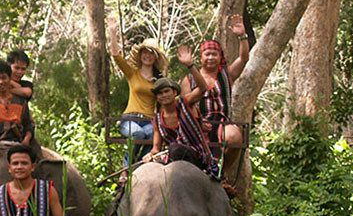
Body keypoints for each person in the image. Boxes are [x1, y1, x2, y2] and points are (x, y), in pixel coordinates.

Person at [180, 14, 251, 180]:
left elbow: (244, 58)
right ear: (201, 57)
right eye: (207, 54)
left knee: (234, 138)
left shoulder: (227, 74)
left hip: (222, 121)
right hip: (199, 122)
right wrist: (198, 121)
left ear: (220, 57)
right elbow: (185, 105)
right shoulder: (189, 79)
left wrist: (242, 36)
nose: (211, 57)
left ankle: (223, 171)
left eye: (214, 54)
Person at [144, 46, 219, 180]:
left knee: (175, 148)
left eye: (166, 91)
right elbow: (156, 148)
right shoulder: (157, 120)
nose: (163, 95)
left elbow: (203, 88)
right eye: (160, 93)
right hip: (173, 159)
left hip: (196, 155)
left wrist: (190, 65)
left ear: (174, 92)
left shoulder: (185, 104)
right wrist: (150, 155)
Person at [107, 19, 169, 166]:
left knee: (152, 137)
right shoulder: (132, 73)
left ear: (155, 58)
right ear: (141, 55)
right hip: (130, 119)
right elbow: (116, 56)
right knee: (138, 134)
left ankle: (140, 166)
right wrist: (113, 32)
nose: (147, 56)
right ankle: (126, 169)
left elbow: (167, 98)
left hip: (149, 120)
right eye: (145, 52)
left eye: (151, 54)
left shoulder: (159, 80)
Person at [0, 60, 36, 151]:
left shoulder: (21, 101)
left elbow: (29, 125)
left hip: (18, 144)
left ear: (10, 79)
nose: (1, 82)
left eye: (4, 78)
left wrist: (26, 141)